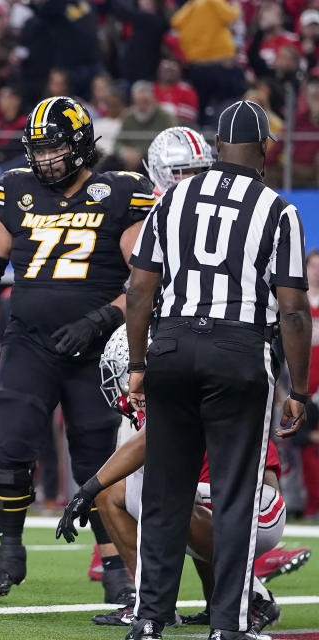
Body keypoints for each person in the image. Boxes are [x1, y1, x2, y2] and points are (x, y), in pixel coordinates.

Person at [0, 95, 156, 604]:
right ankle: (9, 553)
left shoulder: (120, 191)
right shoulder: (15, 189)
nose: (44, 160)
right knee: (14, 441)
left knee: (95, 455)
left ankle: (113, 566)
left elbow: (143, 277)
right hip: (29, 340)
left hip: (98, 348)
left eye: (55, 149)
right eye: (38, 149)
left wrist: (99, 321)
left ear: (83, 146)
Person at [124, 99, 310, 640]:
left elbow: (139, 290)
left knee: (165, 492)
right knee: (233, 496)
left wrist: (138, 364)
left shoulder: (172, 198)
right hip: (239, 350)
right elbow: (294, 308)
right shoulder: (277, 209)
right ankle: (228, 625)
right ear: (264, 149)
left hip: (173, 347)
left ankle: (150, 619)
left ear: (218, 147)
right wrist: (297, 387)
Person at [58, 326, 293, 636]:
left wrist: (88, 487)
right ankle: (166, 606)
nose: (126, 386)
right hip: (206, 504)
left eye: (130, 373)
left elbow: (266, 472)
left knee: (179, 499)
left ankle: (252, 594)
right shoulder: (159, 404)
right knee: (129, 493)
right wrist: (91, 490)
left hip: (255, 508)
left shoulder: (195, 394)